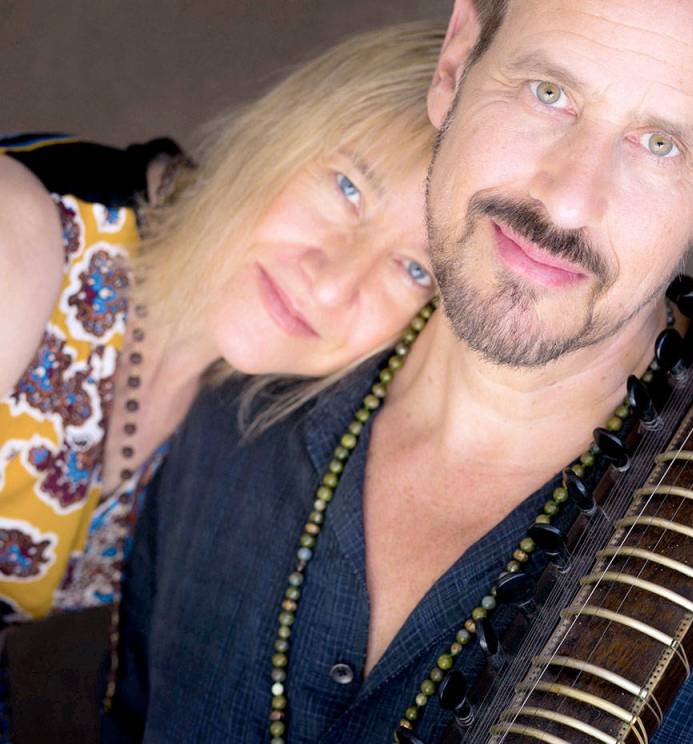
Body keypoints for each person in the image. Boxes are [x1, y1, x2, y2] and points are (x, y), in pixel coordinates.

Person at [105, 1, 693, 743]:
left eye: (660, 144)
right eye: (549, 93)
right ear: (455, 64)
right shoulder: (237, 412)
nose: (569, 200)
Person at [0, 21, 443, 625]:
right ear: (280, 132)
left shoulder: (259, 426)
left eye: (415, 270)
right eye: (348, 188)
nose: (333, 282)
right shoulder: (22, 232)